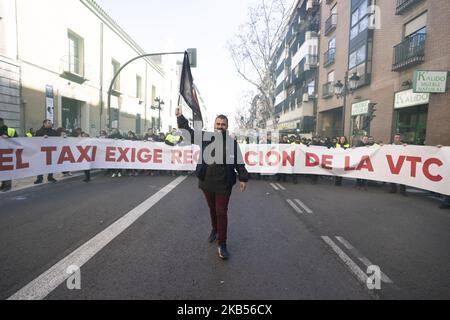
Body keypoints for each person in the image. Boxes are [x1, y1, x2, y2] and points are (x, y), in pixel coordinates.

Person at [176, 106, 248, 260]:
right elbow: (188, 133)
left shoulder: (232, 143)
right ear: (214, 125)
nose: (220, 126)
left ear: (227, 126)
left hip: (224, 184)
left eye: (223, 124)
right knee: (212, 209)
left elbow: (239, 162)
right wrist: (180, 117)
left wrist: (243, 178)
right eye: (218, 124)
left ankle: (222, 244)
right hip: (206, 182)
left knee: (221, 212)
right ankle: (215, 230)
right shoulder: (205, 137)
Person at [34, 119, 58, 184]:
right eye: (49, 123)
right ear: (44, 124)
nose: (50, 124)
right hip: (42, 152)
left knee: (51, 165)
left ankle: (50, 177)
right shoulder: (39, 132)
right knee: (40, 165)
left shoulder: (54, 132)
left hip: (51, 151)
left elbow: (59, 139)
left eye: (51, 123)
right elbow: (35, 141)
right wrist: (42, 138)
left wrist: (64, 137)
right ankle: (39, 178)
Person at [0, 118, 18, 192]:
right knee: (2, 170)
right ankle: (3, 184)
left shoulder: (10, 130)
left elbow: (17, 140)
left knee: (7, 169)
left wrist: (8, 138)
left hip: (8, 153)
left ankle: (8, 185)